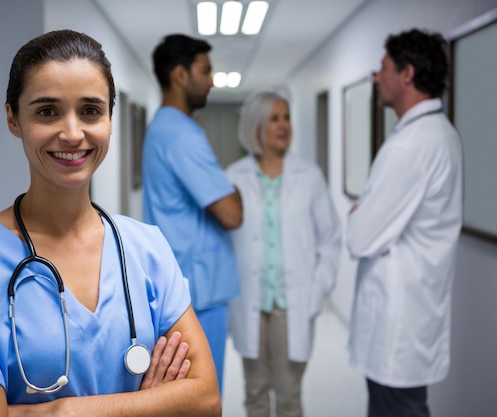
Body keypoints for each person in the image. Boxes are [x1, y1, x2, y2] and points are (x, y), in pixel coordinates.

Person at [0, 29, 221, 417]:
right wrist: (148, 404)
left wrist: (56, 411)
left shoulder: (146, 246)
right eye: (47, 111)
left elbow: (205, 401)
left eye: (91, 110)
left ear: (111, 120)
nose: (72, 133)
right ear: (13, 118)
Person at [346, 28, 463, 417]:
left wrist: (360, 213)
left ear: (407, 74)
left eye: (383, 68)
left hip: (398, 326)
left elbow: (360, 238)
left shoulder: (411, 146)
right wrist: (365, 210)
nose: (376, 77)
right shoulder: (436, 134)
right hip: (409, 316)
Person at [226, 91, 341, 417]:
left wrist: (319, 288)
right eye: (274, 118)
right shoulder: (234, 176)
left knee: (289, 394)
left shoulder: (310, 176)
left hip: (292, 304)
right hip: (250, 300)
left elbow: (330, 238)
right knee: (255, 392)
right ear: (257, 124)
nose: (283, 125)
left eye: (286, 117)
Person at [142, 34, 243, 394]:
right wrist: (236, 192)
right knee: (202, 397)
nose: (211, 80)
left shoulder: (162, 129)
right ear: (180, 75)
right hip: (198, 293)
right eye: (205, 70)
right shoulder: (181, 134)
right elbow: (231, 213)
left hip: (185, 283)